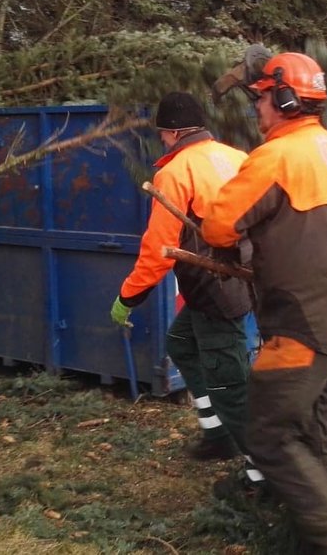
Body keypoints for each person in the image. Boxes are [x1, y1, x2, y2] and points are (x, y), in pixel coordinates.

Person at [200, 53, 327, 555]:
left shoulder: (274, 159)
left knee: (269, 437)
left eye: (260, 98)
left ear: (283, 100)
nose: (256, 108)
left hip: (302, 329)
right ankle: (317, 546)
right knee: (318, 435)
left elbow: (219, 225)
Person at [110, 92, 256, 465]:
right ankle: (218, 435)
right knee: (182, 344)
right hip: (242, 278)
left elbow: (159, 247)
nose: (162, 141)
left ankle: (261, 473)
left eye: (162, 135)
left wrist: (129, 297)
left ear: (173, 133)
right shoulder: (237, 158)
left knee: (229, 382)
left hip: (214, 289)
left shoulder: (175, 172)